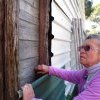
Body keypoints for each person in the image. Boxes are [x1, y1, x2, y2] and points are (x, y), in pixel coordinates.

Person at [24, 34, 100, 100]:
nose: (82, 51)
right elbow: (71, 75)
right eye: (81, 48)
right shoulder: (88, 72)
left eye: (87, 48)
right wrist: (49, 69)